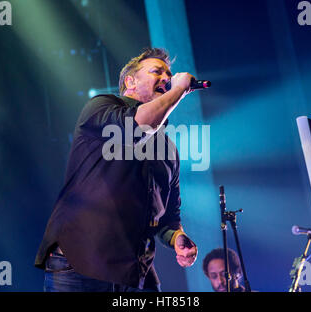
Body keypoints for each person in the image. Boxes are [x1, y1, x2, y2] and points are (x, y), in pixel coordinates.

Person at [34, 47, 198, 292]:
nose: (166, 78)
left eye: (169, 74)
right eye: (157, 72)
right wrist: (178, 89)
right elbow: (137, 128)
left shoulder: (168, 149)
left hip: (134, 271)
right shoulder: (102, 108)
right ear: (130, 81)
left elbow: (168, 218)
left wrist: (177, 238)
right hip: (82, 262)